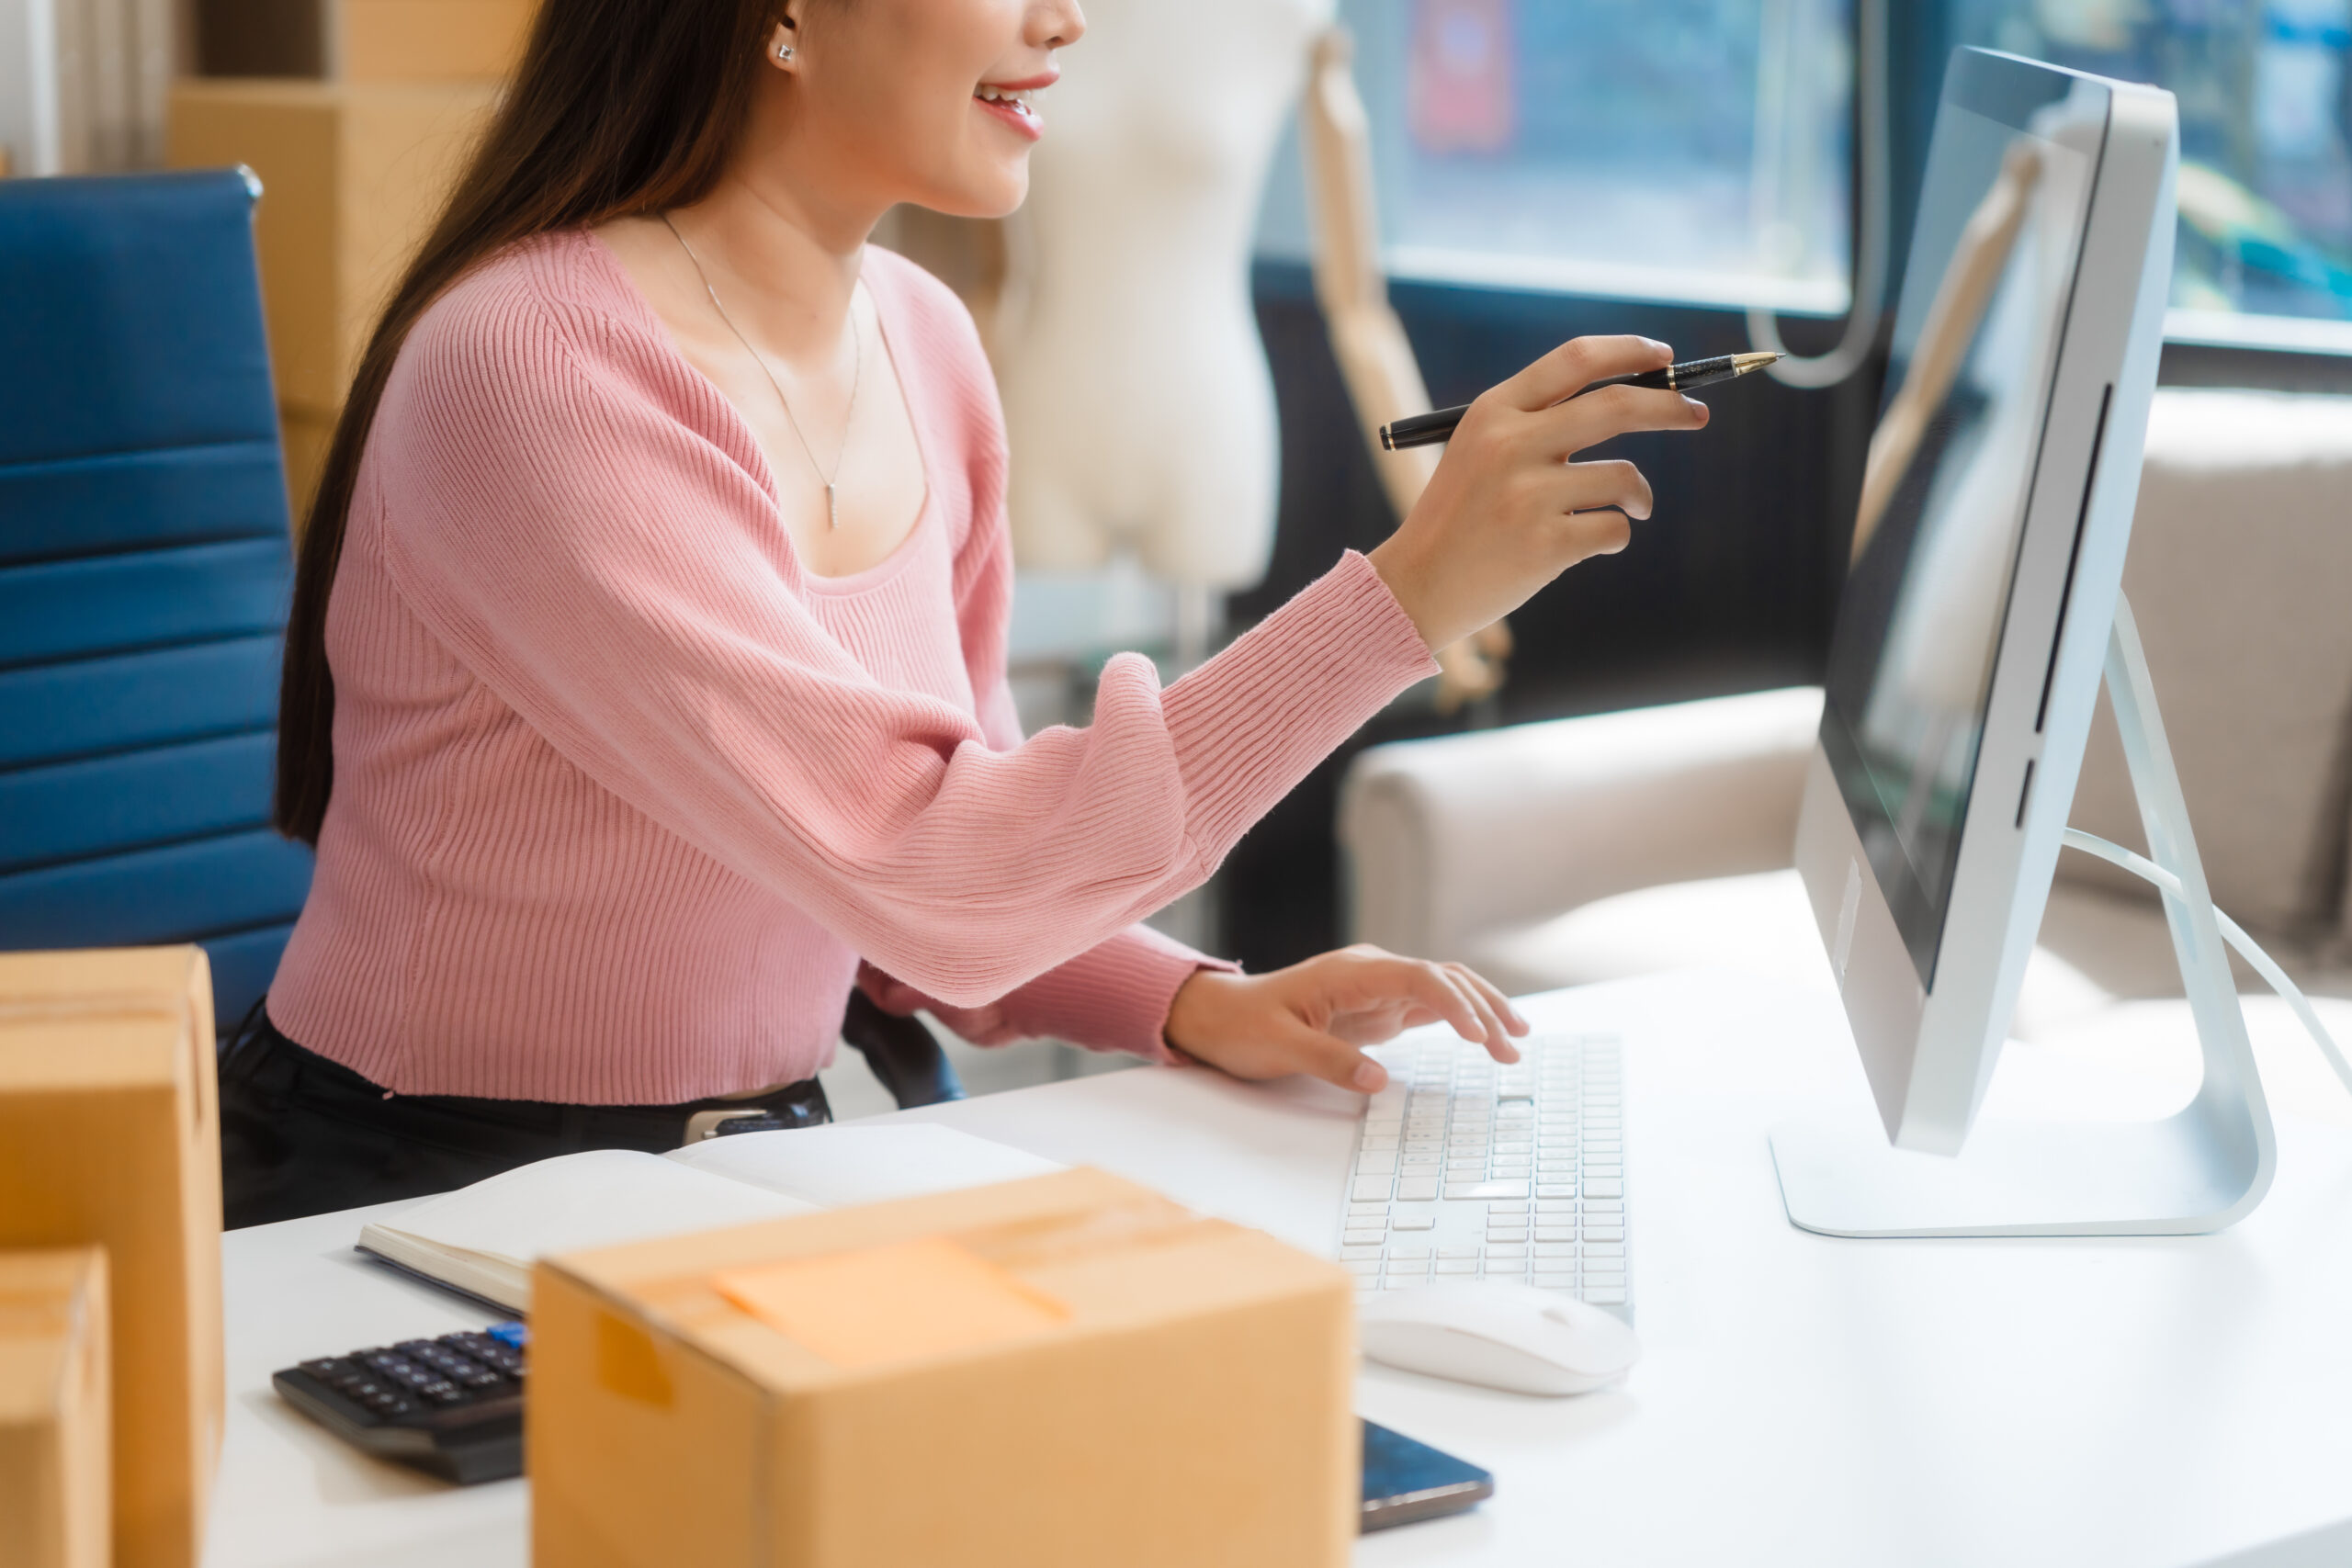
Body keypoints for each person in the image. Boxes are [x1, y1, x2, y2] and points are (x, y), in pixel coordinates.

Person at [219, 0, 1709, 1226]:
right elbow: (937, 872)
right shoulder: (535, 373)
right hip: (420, 1190)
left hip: (744, 1166)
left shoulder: (925, 342)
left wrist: (1189, 1001)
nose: (1067, 24)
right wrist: (1408, 597)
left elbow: (956, 862)